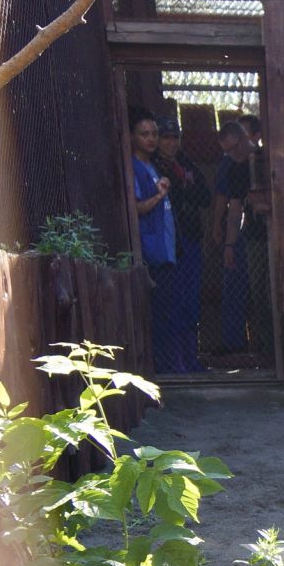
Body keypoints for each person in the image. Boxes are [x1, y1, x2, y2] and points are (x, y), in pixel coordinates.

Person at [215, 118, 273, 363]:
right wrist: (229, 244)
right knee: (258, 294)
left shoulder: (267, 158)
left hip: (279, 235)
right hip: (254, 237)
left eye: (233, 148)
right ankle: (267, 352)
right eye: (226, 151)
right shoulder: (235, 169)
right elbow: (235, 209)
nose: (231, 154)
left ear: (245, 139)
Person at [154, 121, 210, 373]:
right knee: (173, 302)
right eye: (165, 137)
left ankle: (191, 359)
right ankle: (174, 362)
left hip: (190, 238)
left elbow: (205, 196)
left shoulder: (185, 162)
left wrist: (187, 185)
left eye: (174, 137)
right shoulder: (153, 166)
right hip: (168, 242)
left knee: (190, 301)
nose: (171, 142)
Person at [129, 108, 177, 373]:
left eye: (154, 134)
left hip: (164, 249)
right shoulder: (134, 167)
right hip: (151, 251)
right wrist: (159, 196)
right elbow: (135, 207)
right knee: (155, 313)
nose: (151, 139)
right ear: (133, 137)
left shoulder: (152, 166)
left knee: (166, 311)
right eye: (144, 134)